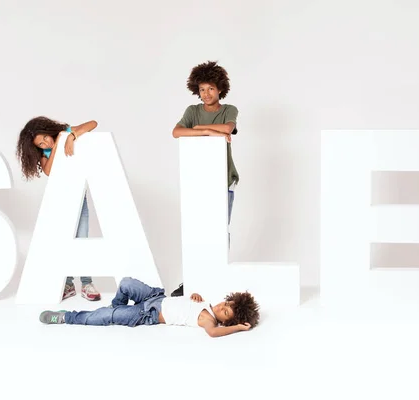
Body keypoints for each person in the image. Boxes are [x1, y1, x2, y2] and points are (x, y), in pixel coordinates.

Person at [170, 60, 240, 297]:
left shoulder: (229, 109)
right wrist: (209, 130)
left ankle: (217, 276)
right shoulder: (192, 111)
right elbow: (176, 132)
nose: (206, 94)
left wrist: (199, 128)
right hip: (197, 181)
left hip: (222, 179)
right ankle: (192, 279)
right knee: (196, 230)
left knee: (220, 230)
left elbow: (228, 129)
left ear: (220, 88)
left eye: (210, 88)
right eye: (202, 89)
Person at [16, 116, 101, 301]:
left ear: (47, 130)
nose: (45, 142)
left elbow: (93, 123)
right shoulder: (45, 152)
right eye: (40, 144)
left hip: (79, 197)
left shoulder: (65, 132)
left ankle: (86, 283)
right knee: (64, 240)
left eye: (44, 137)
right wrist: (56, 146)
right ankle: (68, 284)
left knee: (82, 239)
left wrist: (71, 136)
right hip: (59, 199)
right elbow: (48, 171)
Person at [39, 277, 259, 338]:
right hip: (155, 296)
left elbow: (212, 333)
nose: (222, 306)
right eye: (226, 303)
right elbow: (187, 303)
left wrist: (238, 327)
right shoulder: (208, 306)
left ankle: (66, 317)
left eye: (226, 312)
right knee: (125, 283)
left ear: (226, 321)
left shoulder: (210, 322)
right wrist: (194, 296)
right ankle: (114, 308)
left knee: (107, 316)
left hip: (147, 313)